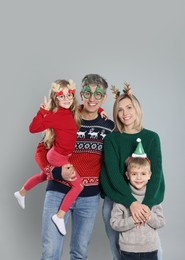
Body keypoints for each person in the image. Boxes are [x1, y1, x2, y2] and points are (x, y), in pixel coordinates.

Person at [36, 74, 114, 259]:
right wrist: (55, 171)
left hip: (89, 198)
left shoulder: (109, 127)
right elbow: (40, 151)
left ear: (104, 98)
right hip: (57, 192)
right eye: (87, 93)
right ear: (80, 93)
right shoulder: (65, 117)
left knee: (80, 253)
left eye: (98, 95)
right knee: (50, 252)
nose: (92, 99)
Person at [100, 83, 165, 260]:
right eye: (120, 109)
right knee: (118, 251)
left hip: (146, 201)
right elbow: (112, 175)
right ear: (116, 113)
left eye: (129, 107)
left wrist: (147, 204)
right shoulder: (112, 139)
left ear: (137, 109)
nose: (125, 113)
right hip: (117, 202)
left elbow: (157, 174)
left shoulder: (151, 137)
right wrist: (131, 202)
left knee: (153, 249)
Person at [14, 79, 83, 235]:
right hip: (58, 157)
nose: (66, 99)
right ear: (55, 98)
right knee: (78, 186)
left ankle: (21, 192)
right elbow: (33, 128)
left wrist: (100, 112)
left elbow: (87, 109)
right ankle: (59, 216)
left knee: (43, 175)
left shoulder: (72, 112)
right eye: (61, 96)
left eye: (69, 95)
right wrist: (42, 111)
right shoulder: (54, 114)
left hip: (62, 156)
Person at [110, 138, 165, 260]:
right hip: (128, 250)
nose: (139, 178)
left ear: (149, 175)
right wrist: (133, 219)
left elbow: (160, 222)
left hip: (150, 248)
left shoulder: (153, 197)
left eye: (143, 174)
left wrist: (148, 215)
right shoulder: (122, 198)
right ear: (127, 175)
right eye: (134, 174)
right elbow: (115, 224)